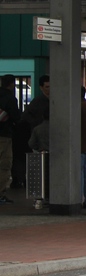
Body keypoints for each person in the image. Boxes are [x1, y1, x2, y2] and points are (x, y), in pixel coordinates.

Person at [0, 74, 22, 205]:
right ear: (12, 84)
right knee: (4, 165)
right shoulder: (9, 98)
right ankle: (1, 194)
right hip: (4, 136)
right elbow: (16, 117)